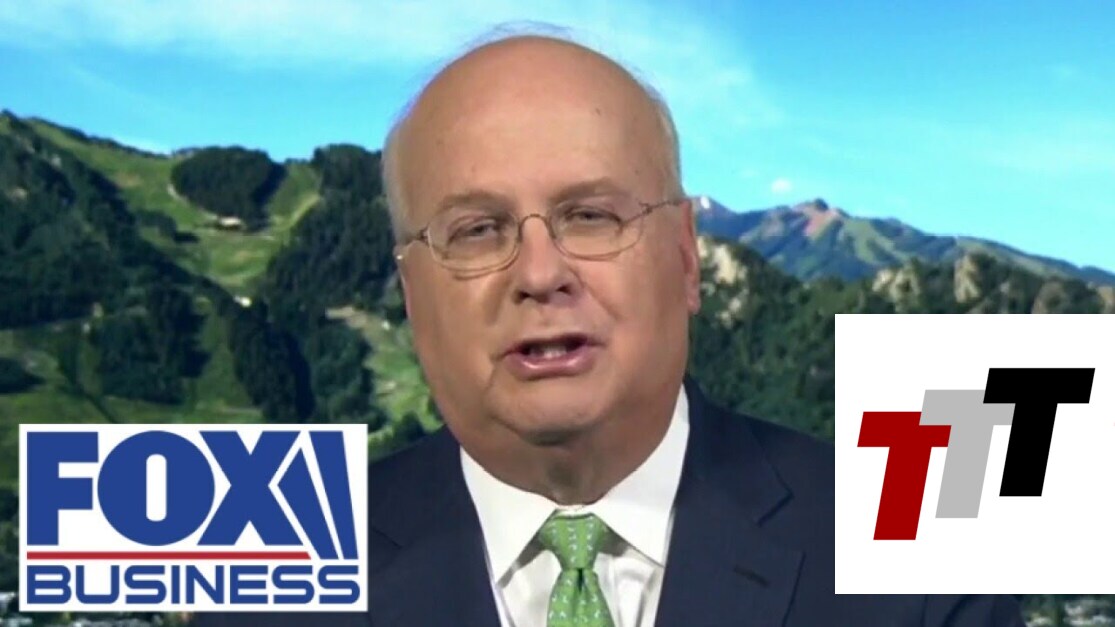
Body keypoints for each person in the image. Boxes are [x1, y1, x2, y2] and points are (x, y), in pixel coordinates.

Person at [196, 32, 1026, 626]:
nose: (539, 272)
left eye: (590, 215)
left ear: (686, 259)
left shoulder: (922, 559)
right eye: (476, 230)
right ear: (413, 294)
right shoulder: (267, 584)